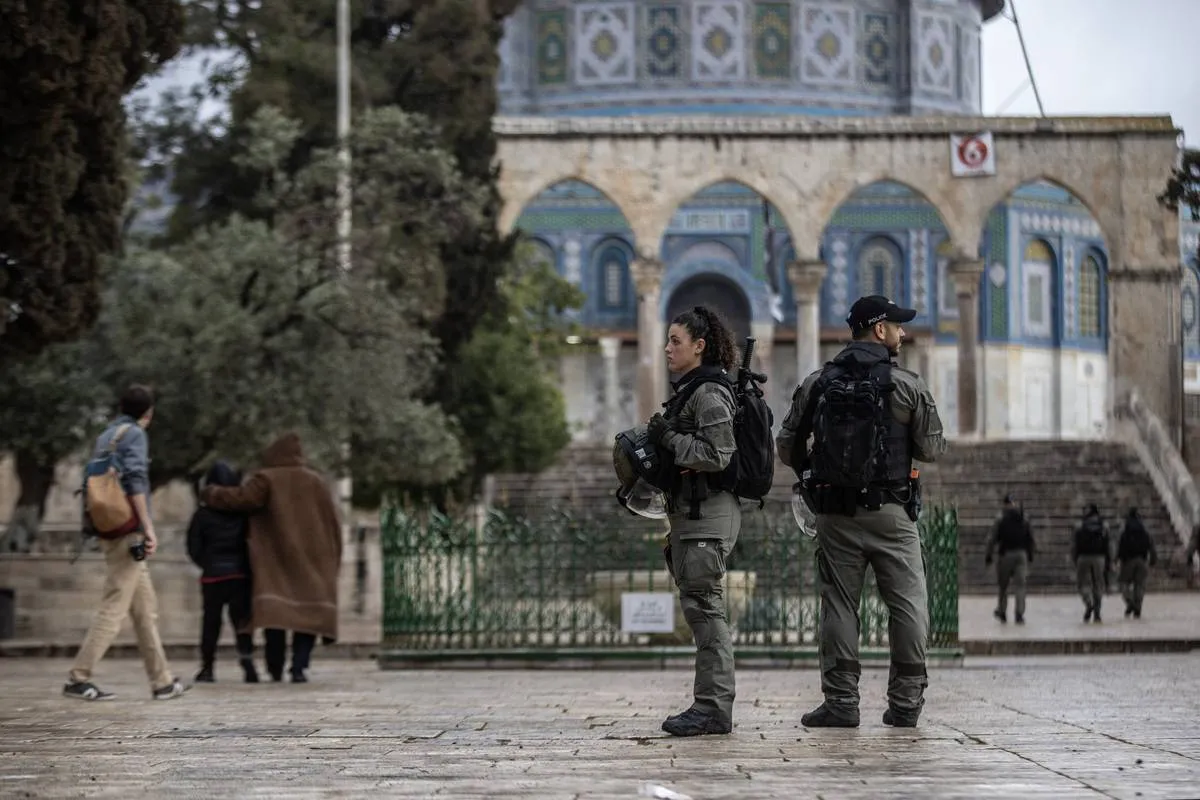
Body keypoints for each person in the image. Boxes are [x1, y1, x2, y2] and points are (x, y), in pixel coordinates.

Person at [777, 295, 946, 729]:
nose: (902, 332)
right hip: (892, 512)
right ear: (879, 329)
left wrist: (812, 470)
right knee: (907, 604)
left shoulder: (818, 382)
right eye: (897, 325)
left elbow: (787, 446)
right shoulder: (907, 384)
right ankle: (905, 704)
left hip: (835, 514)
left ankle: (841, 703)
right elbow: (932, 449)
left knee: (839, 605)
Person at [63, 384, 189, 701]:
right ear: (149, 412)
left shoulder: (108, 434)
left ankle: (162, 682)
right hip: (128, 531)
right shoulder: (134, 434)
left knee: (145, 611)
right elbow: (135, 481)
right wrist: (148, 527)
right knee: (114, 606)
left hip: (109, 528)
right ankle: (78, 677)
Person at [649, 306, 741, 737]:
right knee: (700, 608)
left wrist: (668, 437)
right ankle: (709, 705)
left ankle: (712, 708)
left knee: (706, 610)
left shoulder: (708, 393)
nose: (668, 348)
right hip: (694, 513)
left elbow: (718, 454)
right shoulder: (692, 390)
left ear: (699, 346)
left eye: (676, 341)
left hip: (708, 514)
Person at [201, 432, 342, 683]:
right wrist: (334, 558)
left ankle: (275, 667)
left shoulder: (266, 479)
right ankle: (298, 668)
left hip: (278, 559)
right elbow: (333, 522)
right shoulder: (317, 481)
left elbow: (242, 499)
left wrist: (212, 493)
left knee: (277, 614)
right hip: (314, 561)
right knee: (308, 616)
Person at [186, 460, 258, 683]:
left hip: (212, 577)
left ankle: (207, 668)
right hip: (239, 575)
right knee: (242, 622)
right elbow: (252, 543)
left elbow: (193, 546)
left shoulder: (202, 515)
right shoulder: (243, 514)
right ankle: (248, 664)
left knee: (211, 623)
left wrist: (207, 564)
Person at [985, 494, 1036, 624]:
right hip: (1021, 554)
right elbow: (1030, 538)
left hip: (1006, 554)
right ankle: (1019, 613)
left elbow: (992, 539)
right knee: (1020, 586)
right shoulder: (1024, 517)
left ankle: (1002, 611)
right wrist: (1030, 554)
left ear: (1004, 504)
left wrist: (989, 555)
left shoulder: (1000, 518)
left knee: (1003, 586)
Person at [1115, 507, 1157, 619]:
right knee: (1140, 585)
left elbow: (1120, 545)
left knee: (1123, 583)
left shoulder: (1125, 529)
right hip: (1142, 560)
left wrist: (1117, 559)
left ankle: (1130, 602)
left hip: (1128, 561)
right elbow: (1151, 545)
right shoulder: (1144, 530)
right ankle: (1137, 606)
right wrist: (1153, 560)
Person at [1071, 504, 1110, 623]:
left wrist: (1075, 558)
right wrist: (1109, 560)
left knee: (1082, 583)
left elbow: (1074, 545)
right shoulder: (1104, 526)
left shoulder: (1079, 526)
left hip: (1083, 557)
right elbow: (1108, 545)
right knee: (1098, 585)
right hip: (1099, 558)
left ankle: (1089, 602)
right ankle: (1097, 613)